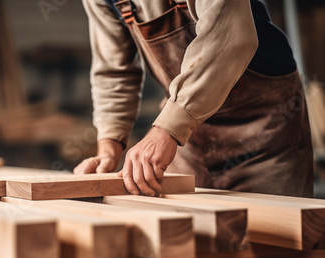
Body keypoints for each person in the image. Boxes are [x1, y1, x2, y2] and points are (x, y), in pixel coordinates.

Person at [74, 0, 314, 199]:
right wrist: (109, 149)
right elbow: (114, 71)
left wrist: (166, 130)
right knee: (186, 238)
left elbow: (230, 39)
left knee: (276, 244)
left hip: (263, 126)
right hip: (185, 138)